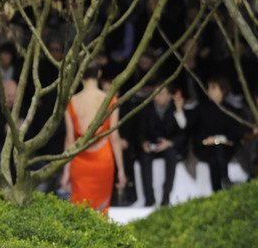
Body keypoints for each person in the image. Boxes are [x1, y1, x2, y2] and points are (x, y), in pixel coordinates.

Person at [61, 64, 126, 213]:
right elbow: (114, 136)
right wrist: (121, 170)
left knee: (79, 210)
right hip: (103, 159)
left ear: (80, 75)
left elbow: (69, 139)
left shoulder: (71, 102)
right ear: (99, 74)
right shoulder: (110, 100)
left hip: (79, 159)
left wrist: (66, 171)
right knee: (101, 210)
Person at [138, 83, 187, 206]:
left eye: (161, 94)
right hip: (152, 145)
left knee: (172, 155)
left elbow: (183, 131)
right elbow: (140, 131)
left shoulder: (175, 108)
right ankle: (149, 198)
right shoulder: (147, 108)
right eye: (155, 93)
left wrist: (169, 143)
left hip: (168, 145)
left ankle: (166, 196)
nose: (157, 97)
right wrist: (144, 143)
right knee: (144, 157)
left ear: (170, 96)